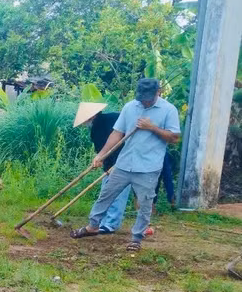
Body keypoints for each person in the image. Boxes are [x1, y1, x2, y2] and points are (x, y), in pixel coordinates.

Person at [71, 79, 181, 251]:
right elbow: (117, 134)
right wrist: (101, 155)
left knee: (144, 204)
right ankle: (93, 226)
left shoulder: (169, 110)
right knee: (105, 195)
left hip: (148, 166)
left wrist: (152, 127)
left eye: (148, 98)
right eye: (141, 98)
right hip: (124, 163)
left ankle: (136, 238)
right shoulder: (130, 107)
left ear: (158, 92)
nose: (144, 101)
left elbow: (174, 138)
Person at [73, 102, 132, 233]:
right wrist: (101, 162)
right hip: (112, 164)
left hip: (124, 162)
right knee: (106, 193)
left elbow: (124, 143)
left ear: (91, 117)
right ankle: (103, 223)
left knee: (118, 194)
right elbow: (102, 149)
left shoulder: (113, 119)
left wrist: (116, 165)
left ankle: (110, 225)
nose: (84, 123)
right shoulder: (95, 129)